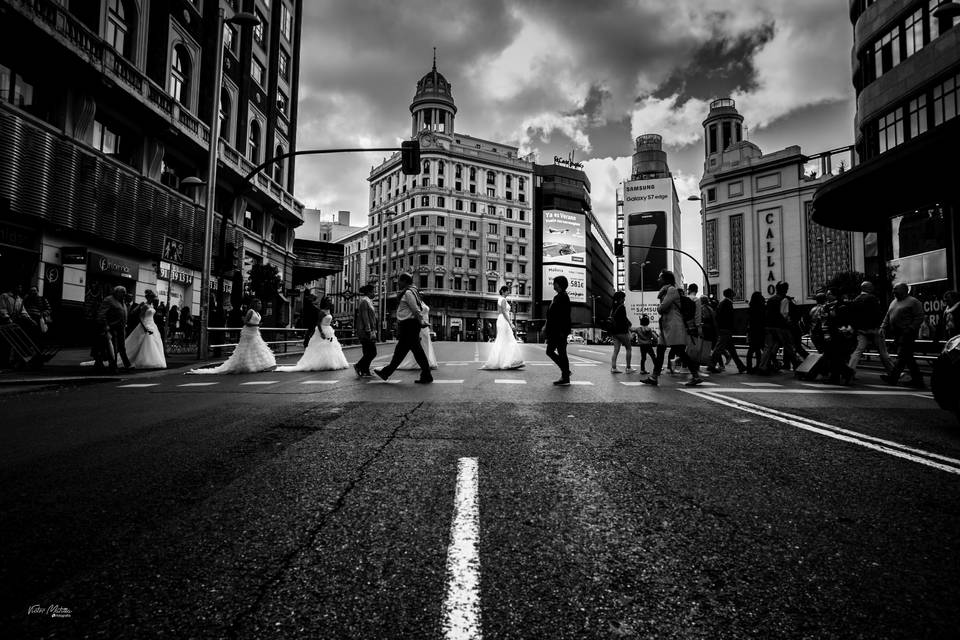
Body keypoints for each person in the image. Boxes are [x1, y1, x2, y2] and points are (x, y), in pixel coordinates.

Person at [642, 270, 703, 386]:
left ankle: (695, 375)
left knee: (680, 352)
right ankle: (654, 377)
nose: (658, 279)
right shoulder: (665, 291)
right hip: (667, 326)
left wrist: (660, 307)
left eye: (660, 278)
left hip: (674, 326)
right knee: (660, 351)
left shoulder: (671, 290)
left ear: (666, 279)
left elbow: (662, 308)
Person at [188, 298, 276, 374]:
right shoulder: (251, 311)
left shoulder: (257, 313)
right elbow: (245, 322)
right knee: (247, 348)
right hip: (248, 332)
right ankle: (246, 365)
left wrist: (257, 326)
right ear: (254, 304)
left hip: (255, 332)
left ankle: (259, 365)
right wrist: (256, 325)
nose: (260, 305)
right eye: (258, 303)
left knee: (257, 348)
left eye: (260, 303)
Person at [374, 273, 433, 383]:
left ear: (405, 281)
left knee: (409, 351)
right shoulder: (413, 291)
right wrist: (420, 321)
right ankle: (426, 374)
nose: (398, 284)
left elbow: (415, 309)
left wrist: (421, 321)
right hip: (410, 325)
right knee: (407, 351)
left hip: (409, 325)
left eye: (399, 281)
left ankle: (387, 372)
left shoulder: (409, 292)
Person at [278, 299, 349, 372]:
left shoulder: (329, 311)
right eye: (329, 302)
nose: (330, 304)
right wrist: (321, 332)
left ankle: (332, 362)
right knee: (321, 347)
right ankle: (322, 363)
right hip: (322, 329)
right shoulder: (321, 312)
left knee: (331, 346)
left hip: (329, 330)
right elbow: (318, 323)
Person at [880, 283, 925, 389]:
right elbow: (888, 316)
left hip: (907, 333)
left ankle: (893, 378)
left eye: (896, 289)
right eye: (893, 289)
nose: (893, 291)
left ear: (904, 290)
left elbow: (919, 316)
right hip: (897, 333)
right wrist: (883, 327)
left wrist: (911, 328)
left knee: (902, 355)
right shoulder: (894, 302)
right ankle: (918, 380)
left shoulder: (913, 302)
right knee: (908, 357)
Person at [846, 281, 893, 375]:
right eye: (871, 286)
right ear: (868, 288)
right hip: (874, 329)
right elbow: (877, 314)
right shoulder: (872, 298)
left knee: (858, 350)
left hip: (861, 330)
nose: (873, 288)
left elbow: (853, 316)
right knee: (883, 352)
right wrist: (880, 327)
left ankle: (850, 371)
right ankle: (892, 372)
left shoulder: (856, 299)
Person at [757, 281, 800, 374]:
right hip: (781, 327)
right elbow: (784, 313)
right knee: (788, 346)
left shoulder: (770, 300)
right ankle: (797, 365)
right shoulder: (785, 299)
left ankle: (763, 366)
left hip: (769, 326)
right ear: (785, 289)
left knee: (768, 347)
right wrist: (789, 323)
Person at [481, 286, 525, 370]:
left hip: (501, 320)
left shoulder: (500, 299)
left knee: (503, 340)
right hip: (504, 320)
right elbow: (504, 312)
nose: (509, 292)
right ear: (503, 291)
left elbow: (502, 312)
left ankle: (505, 361)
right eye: (507, 291)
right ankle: (511, 361)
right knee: (508, 339)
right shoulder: (503, 300)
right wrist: (510, 323)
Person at [124, 290, 166, 369]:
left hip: (152, 324)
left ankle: (153, 359)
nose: (153, 299)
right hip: (146, 324)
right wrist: (145, 327)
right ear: (148, 298)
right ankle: (145, 360)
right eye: (152, 298)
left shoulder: (152, 306)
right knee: (146, 341)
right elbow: (140, 317)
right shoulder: (145, 306)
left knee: (154, 342)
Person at [709, 288, 746, 374]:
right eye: (733, 293)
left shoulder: (722, 303)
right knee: (719, 348)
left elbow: (718, 316)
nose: (734, 295)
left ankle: (740, 366)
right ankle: (711, 365)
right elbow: (729, 318)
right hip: (726, 329)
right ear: (731, 294)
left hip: (723, 329)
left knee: (732, 350)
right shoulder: (728, 303)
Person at [94, 285, 131, 373]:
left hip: (121, 328)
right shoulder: (109, 300)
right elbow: (101, 314)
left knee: (122, 347)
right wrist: (106, 325)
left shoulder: (122, 301)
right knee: (113, 348)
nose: (124, 294)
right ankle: (113, 366)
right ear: (116, 292)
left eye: (124, 293)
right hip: (112, 327)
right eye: (122, 292)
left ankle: (127, 364)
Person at [544, 275, 572, 385]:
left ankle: (566, 374)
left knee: (553, 352)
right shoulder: (558, 296)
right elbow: (551, 314)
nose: (553, 285)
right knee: (560, 353)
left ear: (559, 284)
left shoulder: (563, 297)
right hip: (556, 330)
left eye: (554, 283)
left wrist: (562, 331)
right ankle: (565, 376)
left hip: (559, 331)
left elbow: (563, 316)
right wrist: (546, 326)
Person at [398, 301, 438, 370]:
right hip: (420, 326)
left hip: (425, 328)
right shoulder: (414, 300)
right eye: (420, 292)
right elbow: (416, 313)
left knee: (425, 345)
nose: (422, 293)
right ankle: (422, 366)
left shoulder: (421, 302)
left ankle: (427, 363)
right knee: (418, 347)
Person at [353, 284, 378, 377]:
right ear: (368, 292)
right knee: (372, 352)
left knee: (367, 352)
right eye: (373, 291)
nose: (374, 293)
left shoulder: (368, 301)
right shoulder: (364, 301)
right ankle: (358, 366)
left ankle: (365, 370)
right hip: (365, 330)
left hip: (367, 330)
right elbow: (365, 316)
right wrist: (368, 329)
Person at [606, 291, 634, 373]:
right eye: (623, 298)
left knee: (616, 350)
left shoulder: (613, 308)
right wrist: (629, 325)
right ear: (620, 299)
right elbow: (624, 319)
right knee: (629, 348)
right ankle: (628, 368)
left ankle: (613, 368)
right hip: (622, 331)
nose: (624, 299)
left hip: (614, 332)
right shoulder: (621, 307)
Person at [745, 291, 766, 373]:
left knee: (752, 349)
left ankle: (749, 367)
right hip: (760, 330)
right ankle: (758, 365)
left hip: (752, 330)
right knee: (758, 350)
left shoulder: (751, 308)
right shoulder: (761, 307)